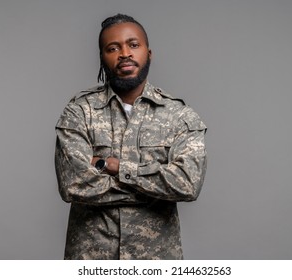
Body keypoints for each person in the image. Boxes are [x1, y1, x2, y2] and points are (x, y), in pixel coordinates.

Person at [55, 13, 207, 260]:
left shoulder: (179, 116)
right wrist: (153, 188)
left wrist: (114, 167)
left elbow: (187, 184)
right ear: (102, 58)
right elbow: (73, 184)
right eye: (112, 48)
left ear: (149, 53)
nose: (124, 53)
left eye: (133, 45)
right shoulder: (79, 112)